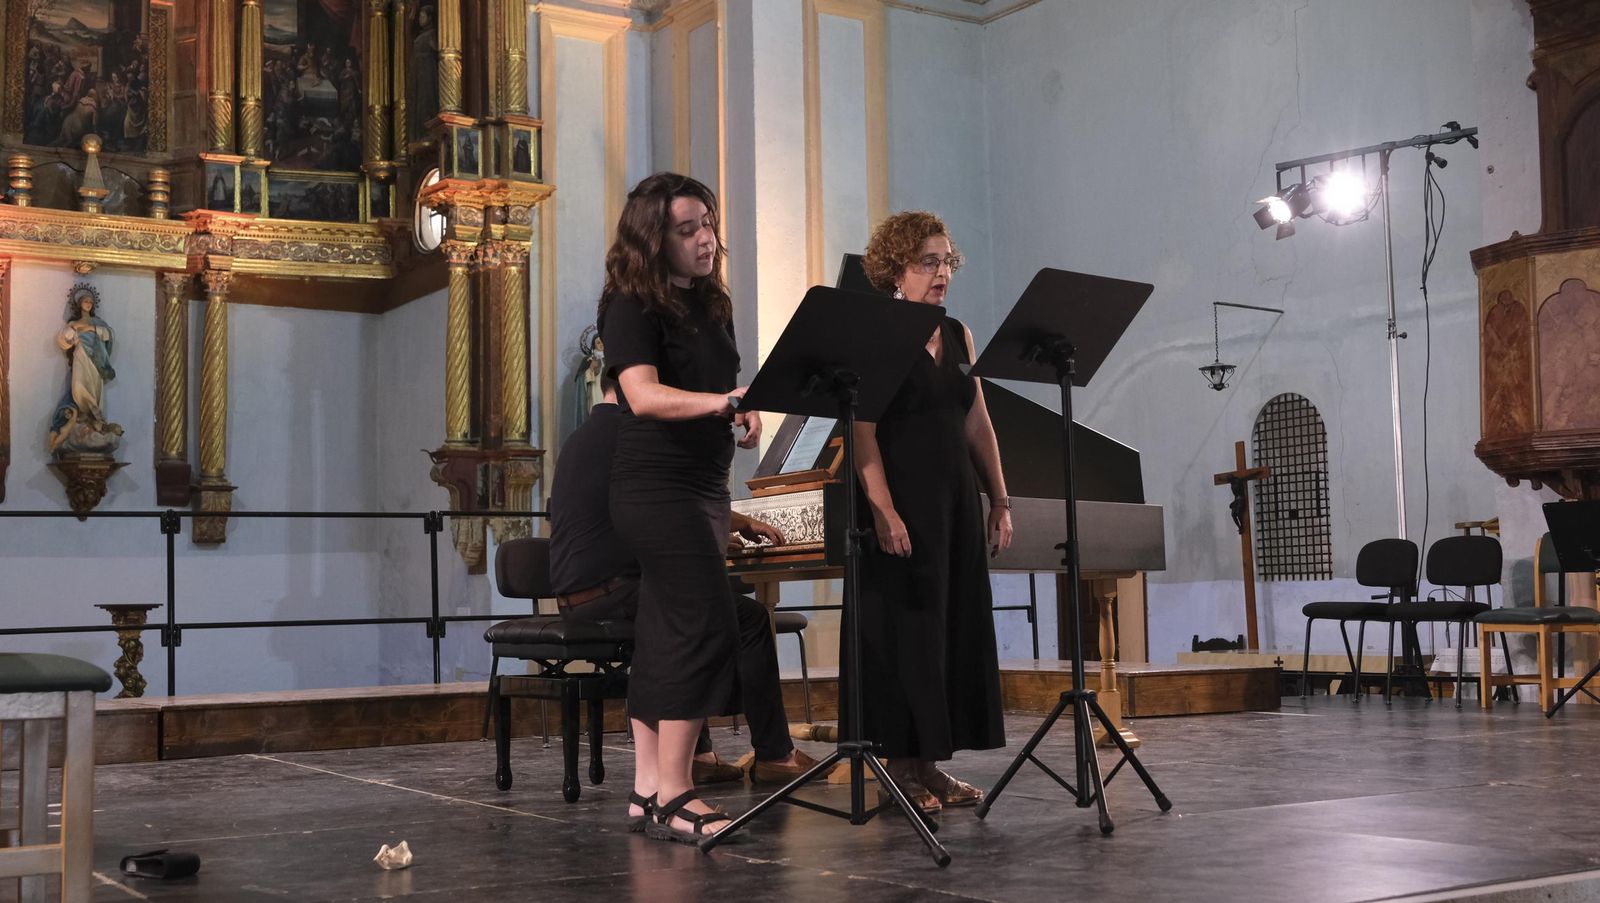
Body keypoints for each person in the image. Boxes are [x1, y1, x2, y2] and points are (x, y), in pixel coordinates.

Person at [547, 380, 820, 792]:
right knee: (743, 617)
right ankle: (775, 754)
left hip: (582, 593)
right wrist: (733, 525)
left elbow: (637, 513)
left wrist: (719, 526)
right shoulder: (632, 433)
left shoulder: (582, 437)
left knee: (694, 603)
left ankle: (700, 756)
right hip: (614, 591)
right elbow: (670, 499)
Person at [598, 172, 758, 843]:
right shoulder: (631, 305)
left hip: (703, 485)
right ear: (654, 237)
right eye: (688, 228)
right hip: (656, 486)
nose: (707, 239)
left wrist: (739, 415)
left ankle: (644, 788)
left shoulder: (710, 305)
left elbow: (716, 389)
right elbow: (643, 395)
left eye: (709, 224)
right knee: (707, 622)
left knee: (666, 630)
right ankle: (677, 789)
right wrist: (723, 403)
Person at [851, 210, 1013, 815]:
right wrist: (884, 510)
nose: (941, 272)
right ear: (897, 268)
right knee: (909, 634)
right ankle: (900, 769)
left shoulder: (960, 333)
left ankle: (931, 767)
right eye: (928, 262)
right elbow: (861, 429)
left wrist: (998, 497)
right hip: (904, 504)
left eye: (947, 261)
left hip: (953, 503)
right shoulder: (878, 334)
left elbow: (977, 421)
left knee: (949, 630)